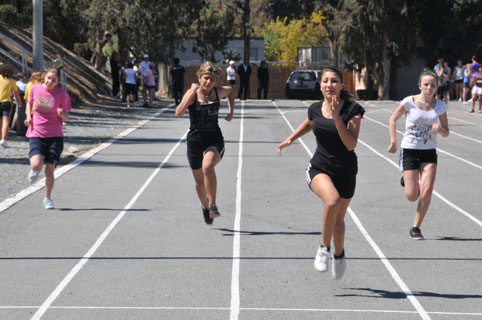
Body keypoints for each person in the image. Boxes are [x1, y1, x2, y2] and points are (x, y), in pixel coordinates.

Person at [277, 66, 365, 280]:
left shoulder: (353, 110)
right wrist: (291, 138)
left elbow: (351, 144)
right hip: (320, 168)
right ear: (320, 85)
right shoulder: (315, 108)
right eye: (325, 81)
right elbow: (310, 123)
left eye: (334, 81)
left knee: (338, 222)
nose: (329, 85)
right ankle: (323, 248)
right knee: (332, 201)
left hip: (345, 171)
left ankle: (339, 253)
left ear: (342, 84)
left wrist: (337, 119)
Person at [388, 70, 449, 240]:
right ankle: (406, 178)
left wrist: (440, 129)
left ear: (437, 87)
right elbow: (393, 119)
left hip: (429, 152)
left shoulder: (440, 106)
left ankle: (415, 227)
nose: (429, 88)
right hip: (409, 150)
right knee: (412, 195)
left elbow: (447, 132)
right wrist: (393, 141)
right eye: (426, 84)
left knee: (427, 190)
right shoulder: (409, 102)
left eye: (433, 85)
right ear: (420, 85)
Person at [175, 62, 234, 225]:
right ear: (199, 77)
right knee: (199, 182)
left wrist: (231, 111)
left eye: (212, 80)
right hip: (195, 141)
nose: (209, 82)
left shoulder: (217, 92)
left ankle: (213, 205)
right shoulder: (192, 94)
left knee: (208, 166)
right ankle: (205, 206)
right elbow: (178, 113)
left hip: (214, 139)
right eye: (206, 78)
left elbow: (230, 91)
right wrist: (191, 92)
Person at [24, 68, 71, 210]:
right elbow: (29, 103)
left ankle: (47, 198)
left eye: (54, 80)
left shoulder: (61, 94)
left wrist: (61, 113)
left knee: (49, 171)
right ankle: (34, 170)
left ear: (58, 82)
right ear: (44, 77)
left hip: (55, 136)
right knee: (36, 165)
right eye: (48, 78)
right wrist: (28, 117)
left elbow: (67, 117)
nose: (50, 81)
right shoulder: (35, 89)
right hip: (37, 133)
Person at [0, 64, 23, 147]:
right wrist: (19, 102)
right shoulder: (11, 81)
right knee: (6, 121)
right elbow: (16, 93)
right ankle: (3, 140)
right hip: (6, 103)